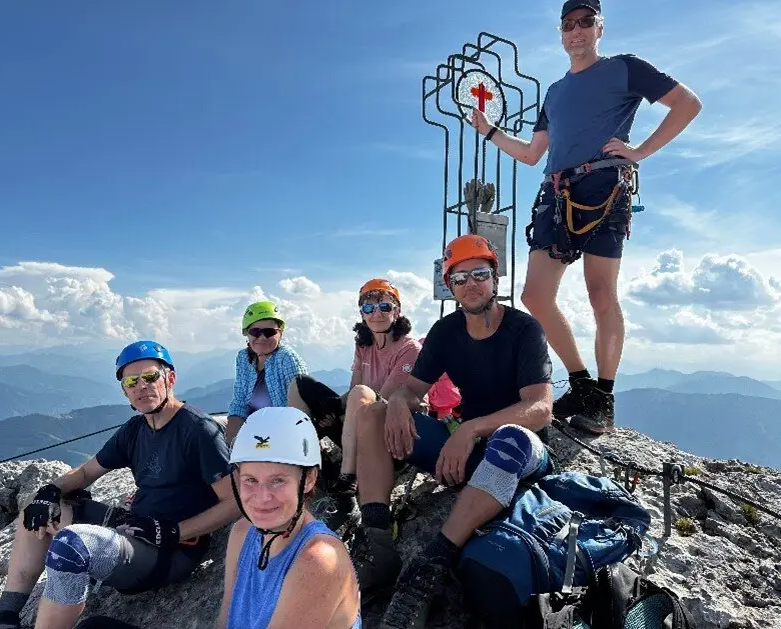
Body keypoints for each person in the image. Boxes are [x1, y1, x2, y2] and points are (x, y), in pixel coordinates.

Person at [472, 0, 702, 434]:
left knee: (600, 293)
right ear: (561, 33)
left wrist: (639, 152)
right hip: (556, 194)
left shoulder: (625, 68)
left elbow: (687, 104)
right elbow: (532, 154)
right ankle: (582, 385)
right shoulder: (554, 92)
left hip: (603, 187)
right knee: (535, 295)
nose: (575, 31)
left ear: (600, 28)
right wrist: (489, 131)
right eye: (568, 24)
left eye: (585, 22)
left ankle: (604, 398)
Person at [349, 235, 554, 628]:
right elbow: (412, 389)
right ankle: (378, 545)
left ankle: (433, 563)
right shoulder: (446, 332)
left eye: (479, 274)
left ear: (494, 278)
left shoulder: (524, 329)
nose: (470, 284)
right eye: (459, 278)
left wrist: (471, 429)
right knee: (374, 414)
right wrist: (397, 402)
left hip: (521, 457)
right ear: (450, 286)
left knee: (509, 439)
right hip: (471, 456)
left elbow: (541, 408)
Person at [0, 341, 240, 629]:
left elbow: (234, 502)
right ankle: (5, 617)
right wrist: (50, 491)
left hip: (170, 551)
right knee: (40, 509)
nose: (141, 386)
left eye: (150, 377)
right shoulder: (135, 430)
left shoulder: (198, 430)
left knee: (73, 545)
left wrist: (174, 531)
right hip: (136, 528)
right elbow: (86, 472)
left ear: (170, 378)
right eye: (131, 382)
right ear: (125, 392)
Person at [217, 407, 362, 628]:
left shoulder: (318, 559)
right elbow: (225, 621)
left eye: (277, 480)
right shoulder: (242, 532)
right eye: (251, 480)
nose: (263, 497)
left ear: (309, 479)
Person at [286, 279, 421, 511]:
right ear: (362, 313)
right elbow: (352, 391)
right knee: (299, 384)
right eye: (368, 308)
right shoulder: (364, 345)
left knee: (360, 393)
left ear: (397, 310)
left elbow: (382, 401)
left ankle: (349, 477)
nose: (376, 313)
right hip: (356, 428)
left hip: (386, 436)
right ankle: (313, 462)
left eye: (384, 306)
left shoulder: (409, 349)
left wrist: (337, 412)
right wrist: (333, 411)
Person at [225, 300, 308, 445]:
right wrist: (233, 443)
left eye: (269, 332)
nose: (262, 337)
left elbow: (300, 409)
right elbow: (239, 402)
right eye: (255, 332)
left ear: (280, 334)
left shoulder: (287, 359)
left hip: (283, 433)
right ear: (247, 334)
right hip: (253, 429)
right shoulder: (243, 358)